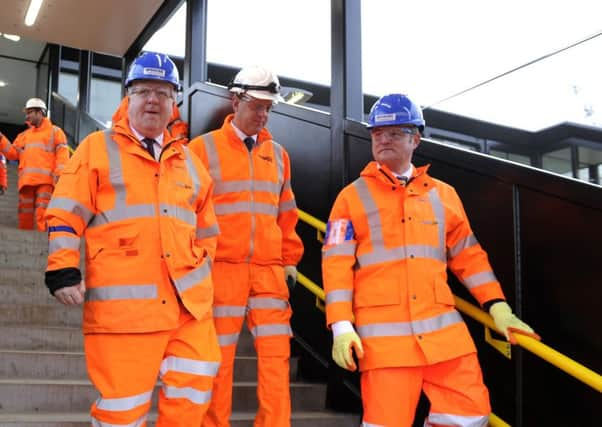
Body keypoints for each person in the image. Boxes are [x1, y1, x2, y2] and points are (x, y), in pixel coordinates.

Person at [321, 93, 541, 427]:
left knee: (471, 414)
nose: (383, 139)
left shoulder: (444, 195)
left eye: (394, 132)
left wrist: (497, 305)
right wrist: (341, 327)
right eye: (377, 133)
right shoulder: (349, 198)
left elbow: (469, 256)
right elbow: (335, 265)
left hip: (445, 340)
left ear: (415, 138)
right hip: (384, 346)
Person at [44, 51, 221, 427]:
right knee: (122, 412)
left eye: (163, 92)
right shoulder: (97, 149)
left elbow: (207, 230)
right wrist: (62, 269)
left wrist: (201, 274)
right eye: (144, 90)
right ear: (128, 97)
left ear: (174, 103)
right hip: (125, 315)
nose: (153, 100)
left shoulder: (191, 162)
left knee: (192, 401)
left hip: (188, 311)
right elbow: (65, 212)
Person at [188, 65, 304, 427]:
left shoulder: (278, 155)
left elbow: (286, 212)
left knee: (276, 358)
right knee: (216, 359)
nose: (264, 115)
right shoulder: (201, 150)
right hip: (221, 268)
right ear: (235, 101)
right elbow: (185, 213)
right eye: (257, 106)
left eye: (269, 108)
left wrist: (289, 260)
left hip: (269, 271)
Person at [0, 99, 68, 230]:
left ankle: (42, 243)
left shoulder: (55, 132)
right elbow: (12, 154)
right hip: (26, 182)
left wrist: (60, 174)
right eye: (27, 113)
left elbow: (62, 155)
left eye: (30, 112)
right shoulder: (23, 136)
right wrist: (1, 139)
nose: (27, 116)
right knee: (24, 214)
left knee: (42, 213)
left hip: (45, 182)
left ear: (40, 112)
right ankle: (24, 243)